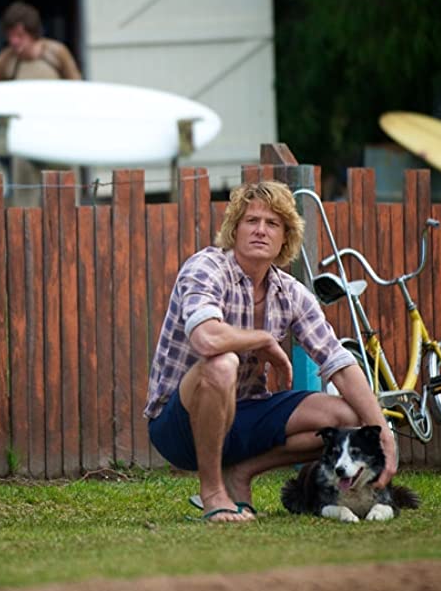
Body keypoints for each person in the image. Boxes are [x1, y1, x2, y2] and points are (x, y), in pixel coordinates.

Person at [144, 180, 397, 524]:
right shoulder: (207, 267)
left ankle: (241, 473)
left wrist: (382, 433)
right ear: (234, 230)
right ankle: (213, 494)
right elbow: (206, 339)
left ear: (285, 237)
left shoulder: (290, 292)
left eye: (272, 223)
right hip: (179, 424)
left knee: (350, 417)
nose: (261, 230)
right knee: (222, 364)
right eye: (251, 221)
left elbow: (338, 360)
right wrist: (262, 339)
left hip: (244, 414)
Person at [0, 1, 82, 81]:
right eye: (10, 36)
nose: (14, 41)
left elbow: (75, 84)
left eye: (20, 35)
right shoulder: (2, 62)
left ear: (32, 33)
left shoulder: (57, 53)